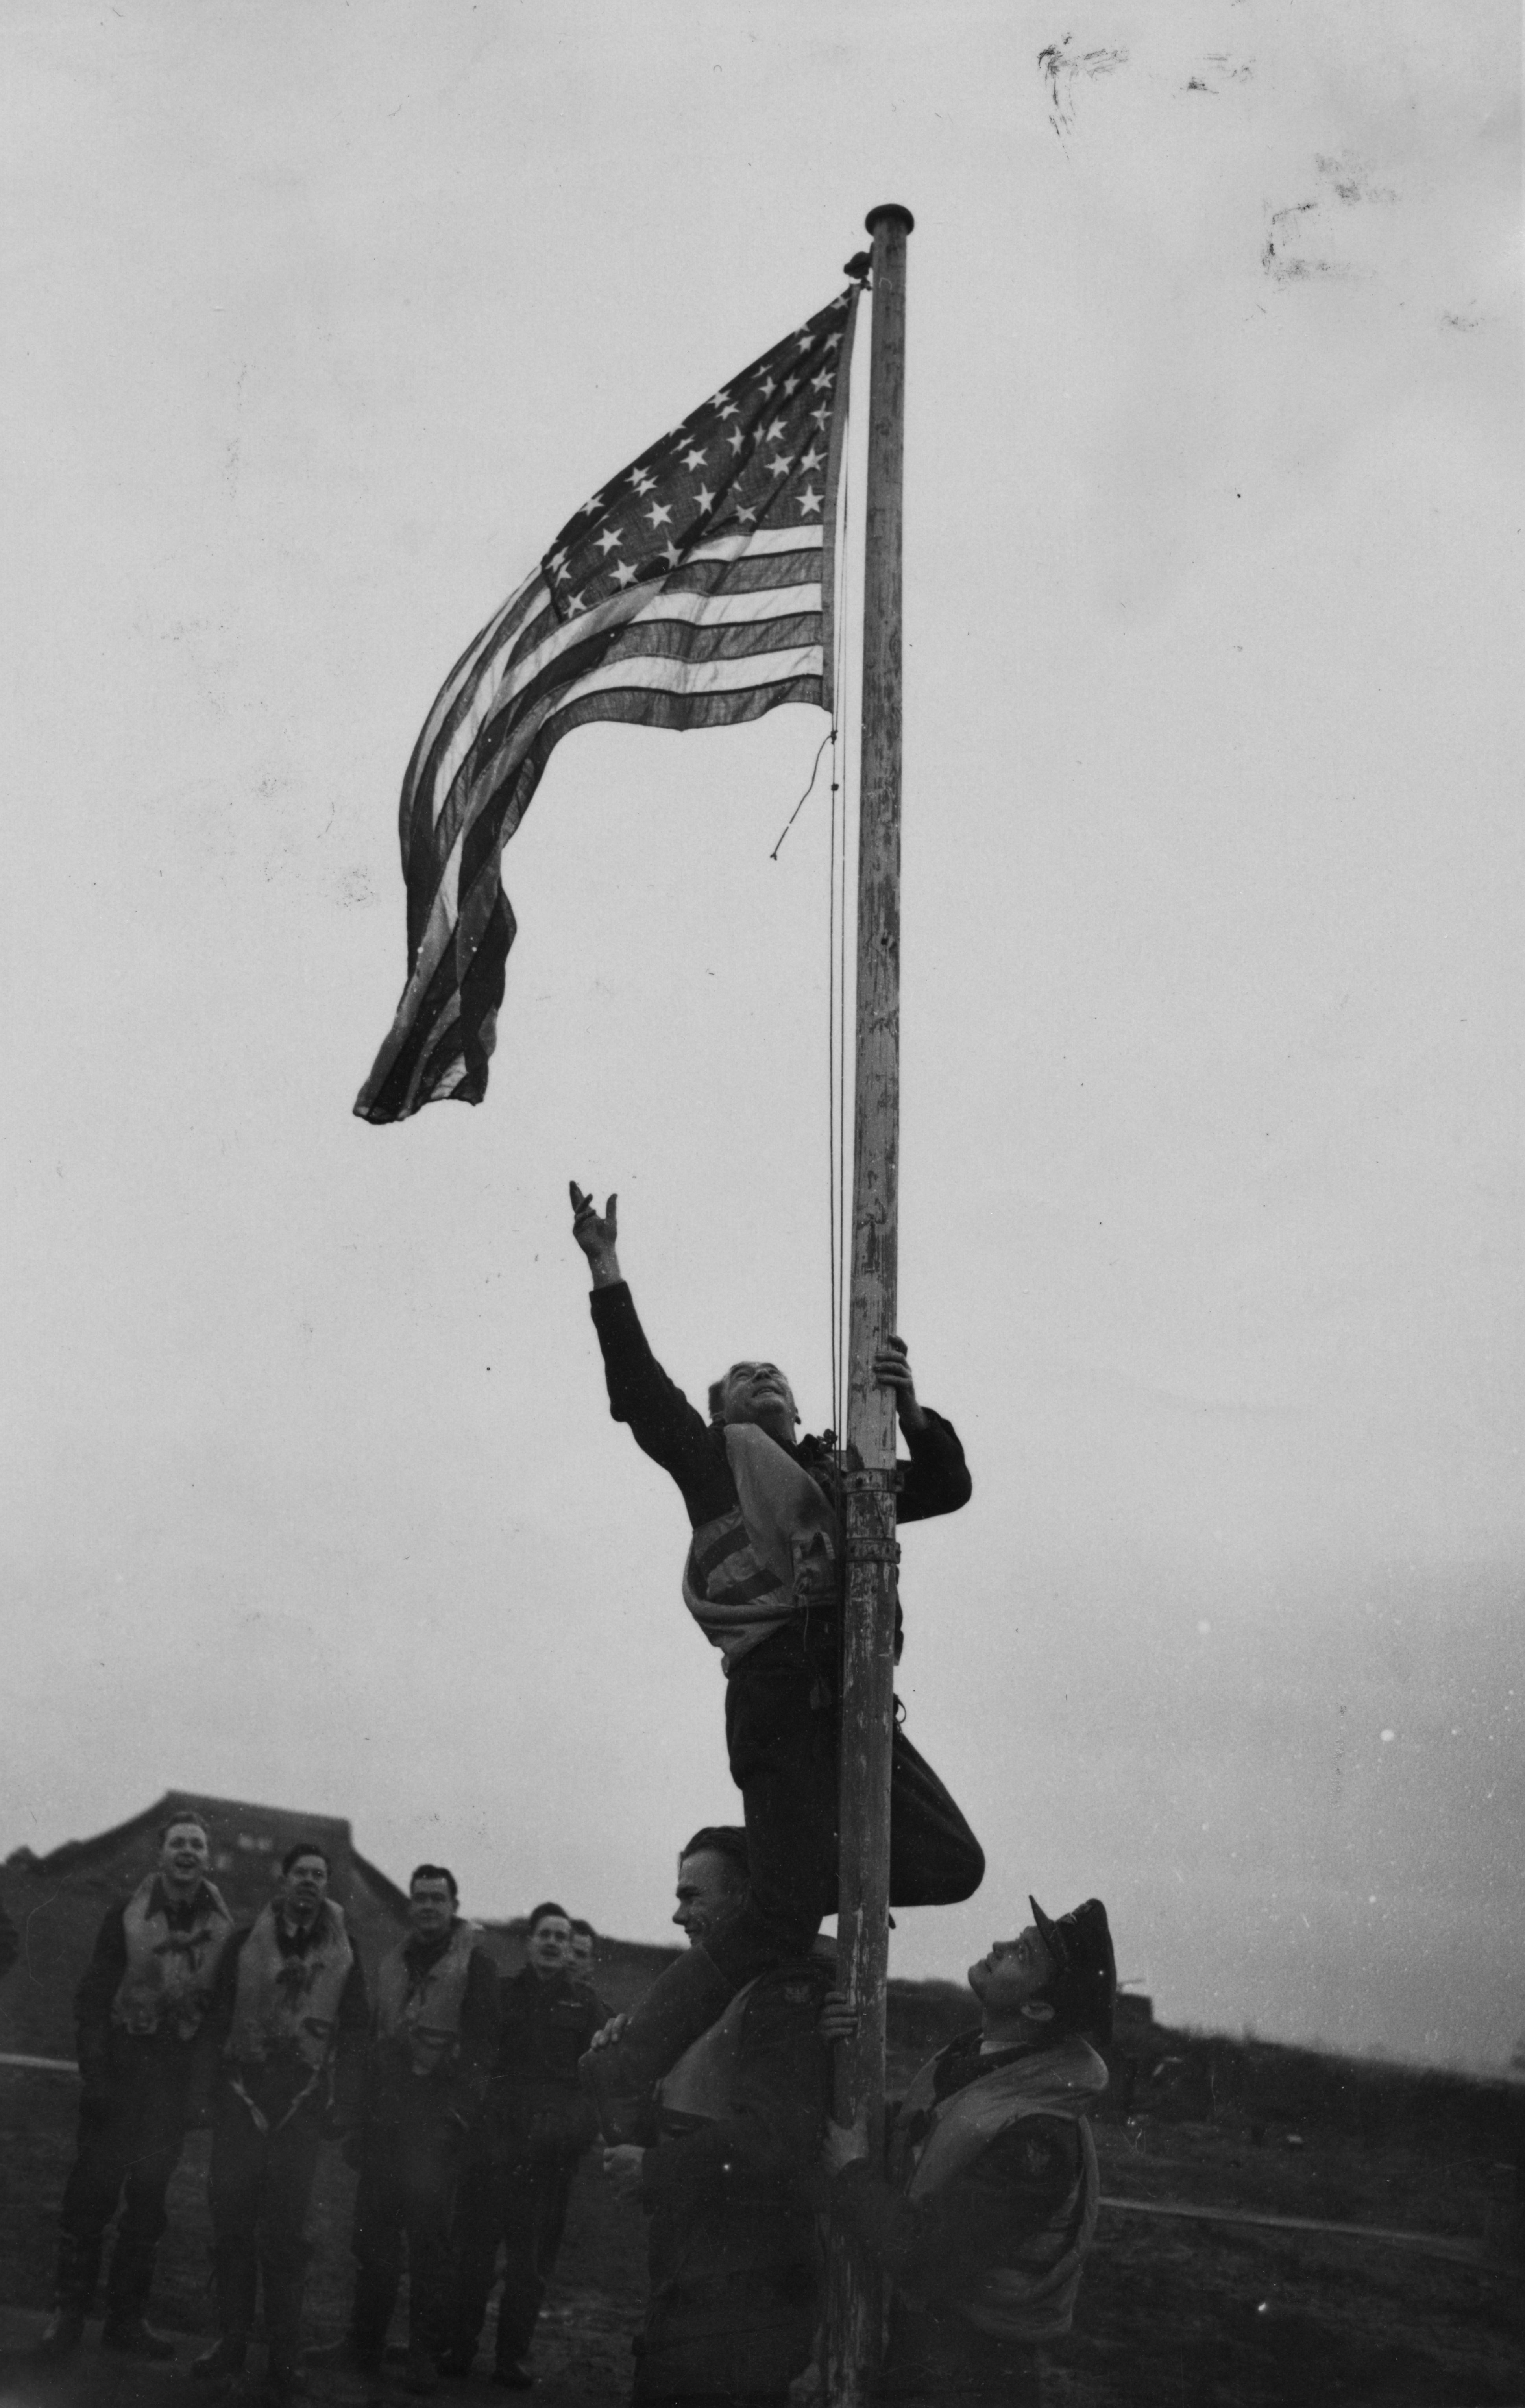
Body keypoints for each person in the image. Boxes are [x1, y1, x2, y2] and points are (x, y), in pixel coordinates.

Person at [568, 1184, 983, 2135]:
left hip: (856, 1701)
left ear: (804, 1414)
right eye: (741, 1380)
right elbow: (637, 1392)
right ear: (720, 1414)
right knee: (784, 1915)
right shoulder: (714, 1460)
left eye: (777, 1379)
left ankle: (785, 1879)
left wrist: (910, 1410)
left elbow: (951, 1486)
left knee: (950, 1863)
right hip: (774, 1694)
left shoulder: (847, 1484)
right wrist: (604, 1266)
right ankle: (633, 2059)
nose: (762, 1379)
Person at [821, 1895, 1116, 2407]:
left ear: (1037, 2008)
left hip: (973, 2374)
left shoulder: (1040, 2136)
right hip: (928, 2351)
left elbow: (927, 2255)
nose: (999, 1945)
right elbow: (904, 2137)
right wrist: (833, 2047)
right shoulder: (975, 2062)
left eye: (1021, 1954)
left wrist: (850, 2174)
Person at [604, 1826, 834, 2408]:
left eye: (691, 1896)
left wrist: (655, 2170)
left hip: (742, 2286)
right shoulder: (719, 1993)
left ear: (746, 1898)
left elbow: (775, 2137)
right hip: (696, 2265)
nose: (678, 1916)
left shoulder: (787, 1995)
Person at [34, 1810, 237, 2362]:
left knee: (148, 2203)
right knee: (90, 2198)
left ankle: (127, 2320)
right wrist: (96, 2073)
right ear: (160, 1854)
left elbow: (219, 2020)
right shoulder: (122, 1916)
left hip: (170, 2086)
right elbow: (92, 2000)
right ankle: (67, 2316)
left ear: (208, 1857)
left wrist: (199, 2092)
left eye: (197, 1844)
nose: (188, 1852)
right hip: (121, 2073)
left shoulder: (224, 1930)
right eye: (178, 1843)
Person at [307, 1865, 499, 2396]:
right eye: (420, 1899)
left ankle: (422, 2355)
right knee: (372, 2243)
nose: (428, 1907)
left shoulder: (476, 1967)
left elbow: (484, 2053)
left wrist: (456, 2116)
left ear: (454, 1905)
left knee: (429, 2249)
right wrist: (356, 2114)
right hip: (384, 2126)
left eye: (438, 1898)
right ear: (410, 1906)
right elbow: (372, 2041)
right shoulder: (392, 1963)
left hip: (435, 2132)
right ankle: (361, 2346)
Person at [192, 1842, 370, 2401]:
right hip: (242, 2099)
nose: (310, 1884)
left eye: (319, 1876)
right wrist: (206, 2094)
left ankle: (284, 2354)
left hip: (301, 2105)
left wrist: (347, 2103)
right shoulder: (246, 1943)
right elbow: (215, 2018)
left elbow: (359, 2032)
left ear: (326, 1886)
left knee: (287, 2233)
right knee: (232, 2224)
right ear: (284, 1880)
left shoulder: (345, 1952)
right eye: (301, 1874)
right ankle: (231, 2341)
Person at [445, 1901, 611, 2388]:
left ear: (569, 1948)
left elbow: (595, 2085)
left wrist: (568, 2137)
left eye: (562, 1937)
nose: (554, 1943)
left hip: (546, 2160)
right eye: (545, 1935)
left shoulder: (586, 2008)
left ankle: (511, 2360)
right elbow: (475, 2064)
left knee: (529, 2267)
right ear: (529, 1942)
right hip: (492, 2151)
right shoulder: (499, 1995)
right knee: (472, 2257)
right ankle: (458, 2349)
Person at [567, 1919, 599, 1991]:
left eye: (580, 1955)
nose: (571, 1959)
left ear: (591, 1965)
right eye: (566, 1950)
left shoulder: (590, 2001)